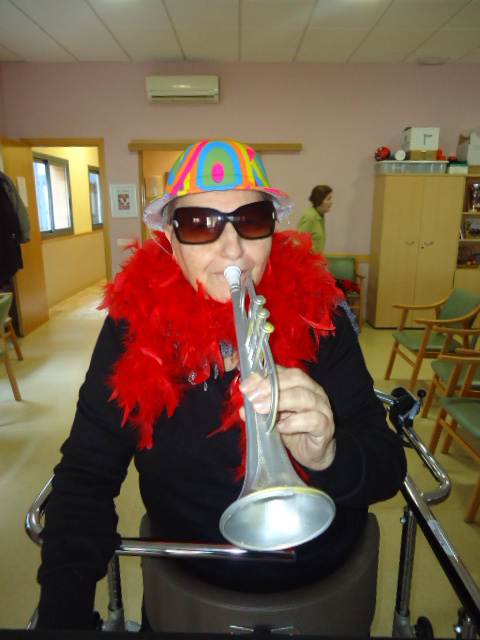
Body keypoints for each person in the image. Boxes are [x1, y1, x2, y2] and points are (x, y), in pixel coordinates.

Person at [36, 139, 406, 631]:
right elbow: (86, 475)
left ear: (272, 229)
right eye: (199, 223)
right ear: (170, 239)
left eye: (251, 220)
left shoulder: (323, 316)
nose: (233, 249)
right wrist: (62, 615)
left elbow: (387, 465)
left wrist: (330, 454)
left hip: (324, 590)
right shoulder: (131, 328)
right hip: (188, 595)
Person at [296, 185, 333, 254]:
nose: (331, 202)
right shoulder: (310, 217)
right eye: (328, 199)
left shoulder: (319, 216)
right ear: (320, 200)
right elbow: (298, 242)